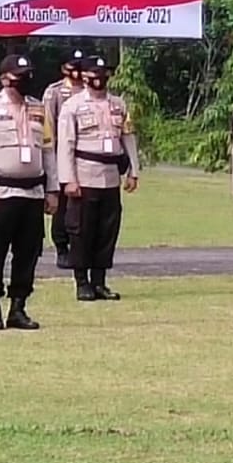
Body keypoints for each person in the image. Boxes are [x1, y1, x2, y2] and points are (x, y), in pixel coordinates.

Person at [0, 54, 57, 331]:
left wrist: (53, 189)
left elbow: (48, 151)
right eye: (20, 75)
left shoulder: (39, 109)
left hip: (32, 194)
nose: (26, 79)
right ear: (5, 78)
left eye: (28, 73)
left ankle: (18, 307)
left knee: (28, 252)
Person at [57, 55, 140, 301]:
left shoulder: (118, 104)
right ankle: (81, 282)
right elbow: (66, 145)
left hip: (110, 176)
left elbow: (128, 138)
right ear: (84, 77)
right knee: (82, 231)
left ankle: (100, 281)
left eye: (104, 74)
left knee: (107, 232)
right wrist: (68, 179)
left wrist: (133, 170)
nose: (100, 79)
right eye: (95, 74)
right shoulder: (72, 106)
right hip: (84, 176)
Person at [41, 49, 86, 268]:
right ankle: (61, 246)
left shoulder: (91, 89)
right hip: (62, 153)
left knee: (83, 205)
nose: (76, 71)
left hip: (86, 156)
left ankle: (80, 247)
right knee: (62, 204)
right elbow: (48, 124)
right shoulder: (55, 92)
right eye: (72, 66)